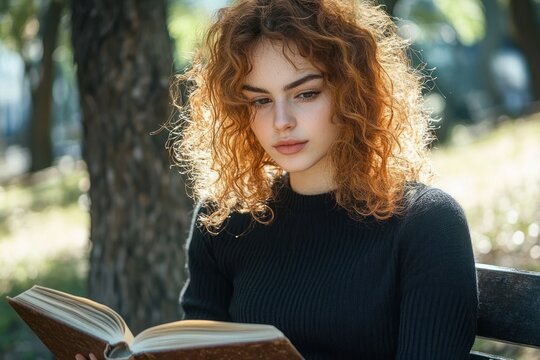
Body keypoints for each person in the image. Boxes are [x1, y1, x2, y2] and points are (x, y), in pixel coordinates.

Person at [77, 0, 478, 359]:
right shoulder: (224, 223)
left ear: (353, 91)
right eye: (260, 100)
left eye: (305, 94)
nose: (281, 121)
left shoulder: (426, 224)